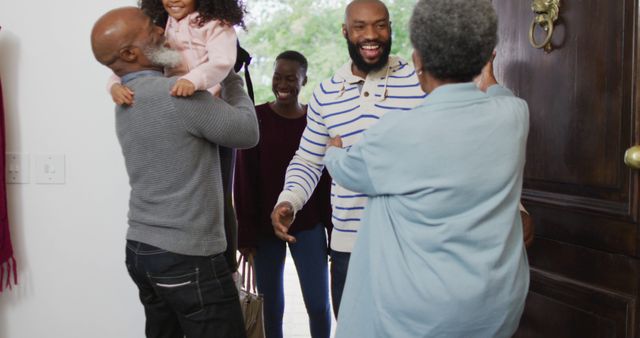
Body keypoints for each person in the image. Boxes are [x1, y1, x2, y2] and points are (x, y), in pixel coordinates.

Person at [323, 0, 530, 336]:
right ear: (483, 57)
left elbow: (348, 171)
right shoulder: (514, 115)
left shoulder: (396, 134)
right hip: (497, 309)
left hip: (421, 316)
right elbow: (499, 94)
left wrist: (333, 152)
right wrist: (488, 78)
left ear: (417, 60)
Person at [90, 7, 258, 338]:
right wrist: (230, 76)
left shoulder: (125, 100)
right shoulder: (178, 97)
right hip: (188, 256)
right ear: (129, 53)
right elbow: (247, 132)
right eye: (149, 28)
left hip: (141, 251)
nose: (162, 30)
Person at [270, 0, 426, 317]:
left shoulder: (419, 82)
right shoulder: (327, 94)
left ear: (390, 29)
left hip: (410, 247)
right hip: (348, 250)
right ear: (345, 31)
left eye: (380, 25)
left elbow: (459, 148)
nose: (372, 34)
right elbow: (309, 160)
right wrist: (290, 199)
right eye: (360, 26)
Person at [234, 51, 333, 338]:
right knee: (271, 308)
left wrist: (331, 229)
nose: (283, 83)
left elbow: (326, 182)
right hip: (266, 229)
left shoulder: (315, 122)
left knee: (318, 304)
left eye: (291, 78)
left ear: (305, 80)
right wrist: (246, 236)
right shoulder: (257, 118)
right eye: (278, 76)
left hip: (309, 226)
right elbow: (244, 180)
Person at [108, 0, 244, 105]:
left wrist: (192, 80)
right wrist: (115, 85)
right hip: (174, 107)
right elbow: (134, 59)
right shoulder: (158, 27)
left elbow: (222, 61)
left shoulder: (215, 24)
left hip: (213, 104)